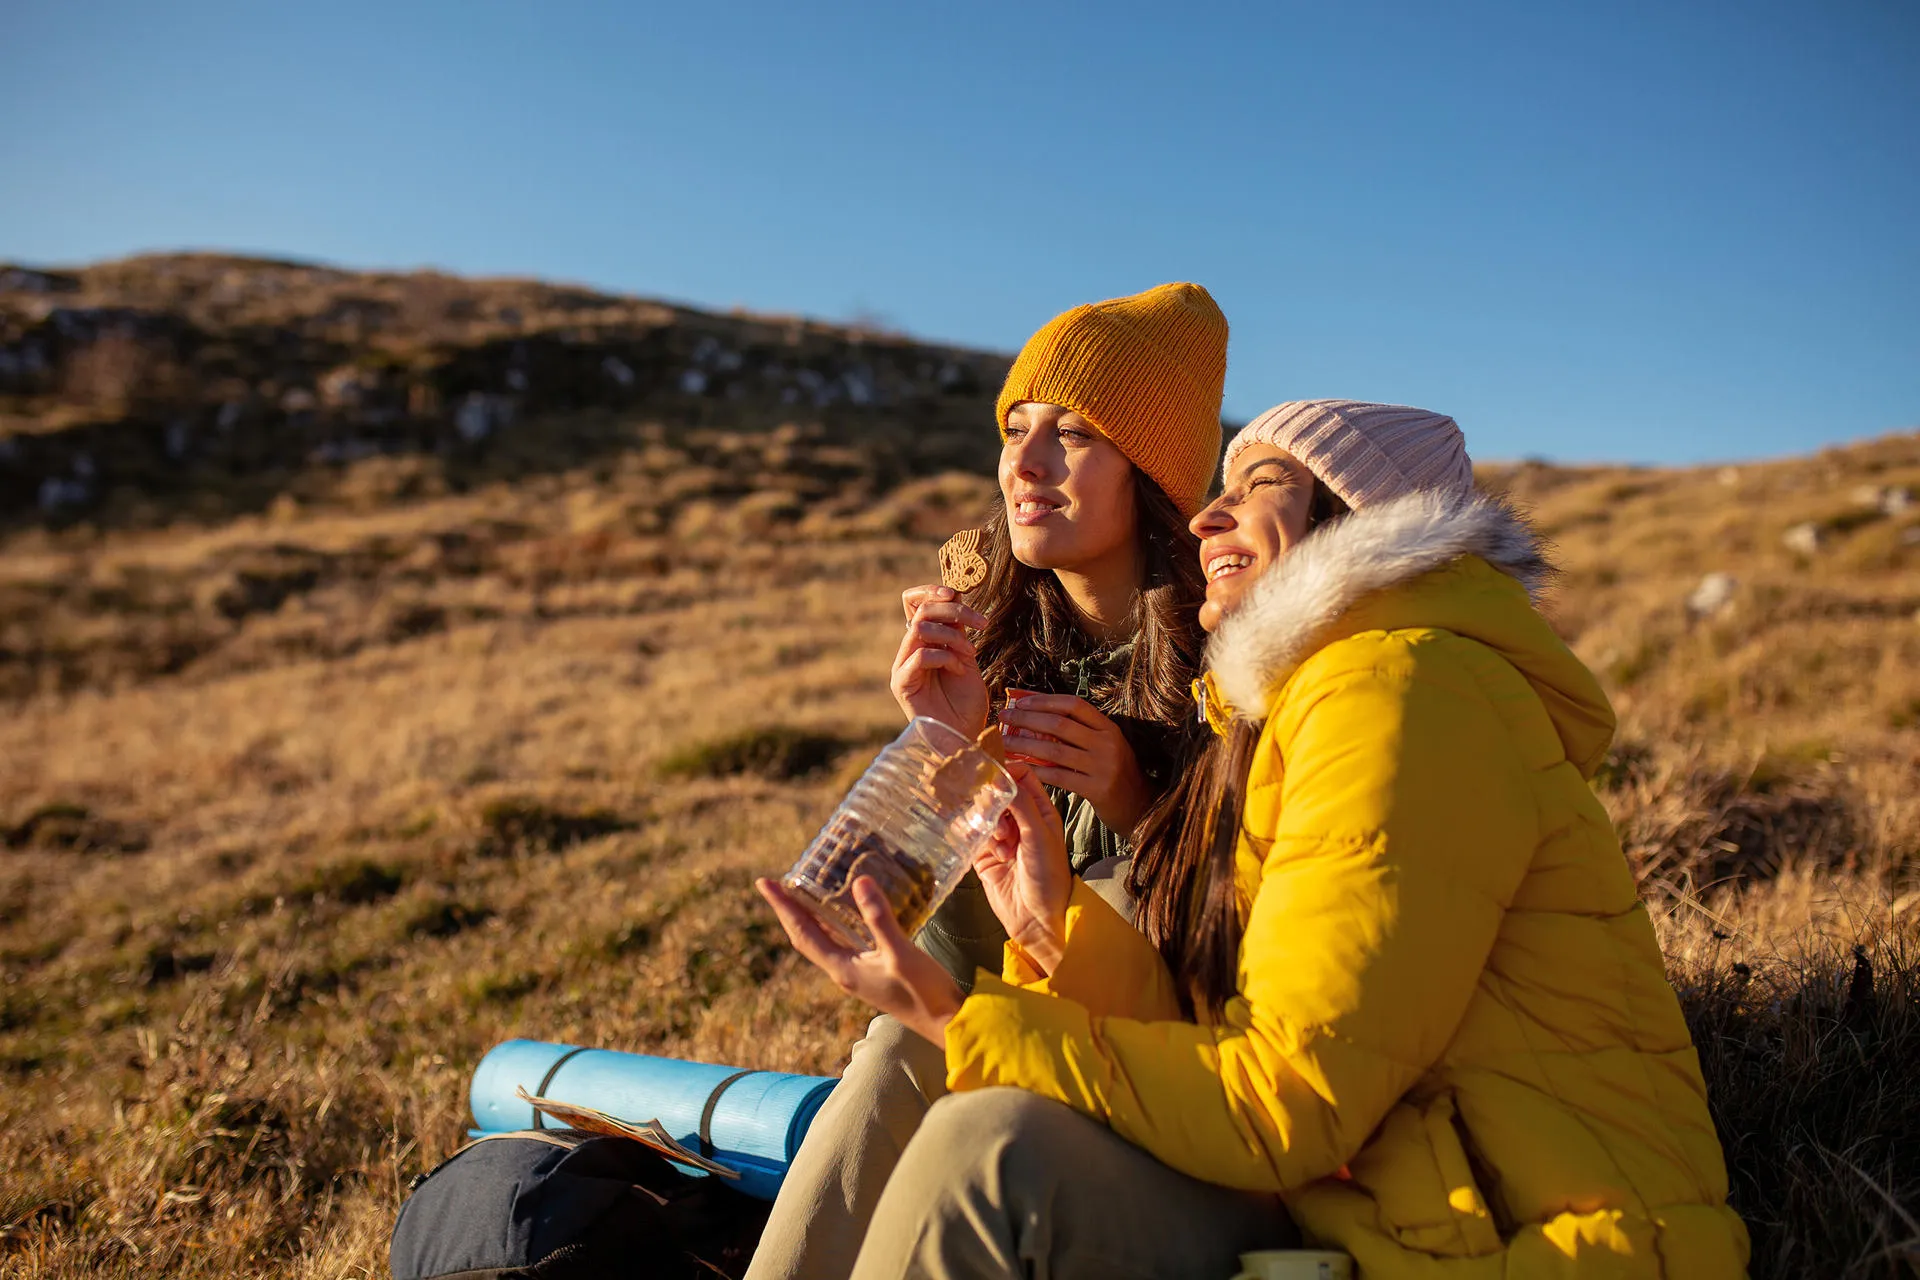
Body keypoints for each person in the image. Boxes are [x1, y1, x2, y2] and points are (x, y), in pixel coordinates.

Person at [760, 400, 1751, 1278]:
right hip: (1385, 1198)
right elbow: (1242, 1025)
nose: (1205, 516)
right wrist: (1049, 918)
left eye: (1261, 482)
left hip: (1516, 1242)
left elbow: (1292, 1093)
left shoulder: (1404, 689)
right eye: (1014, 431)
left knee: (995, 1151)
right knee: (948, 1093)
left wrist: (958, 1012)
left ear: (1363, 522)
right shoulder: (1315, 698)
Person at [746, 283, 1234, 1280]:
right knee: (894, 1053)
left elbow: (1250, 973)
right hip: (1013, 1042)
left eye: (1076, 433)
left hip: (1171, 1093)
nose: (1027, 461)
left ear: (1151, 473)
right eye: (1016, 427)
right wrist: (941, 749)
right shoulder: (996, 639)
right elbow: (947, 966)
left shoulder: (1230, 667)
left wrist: (1139, 812)